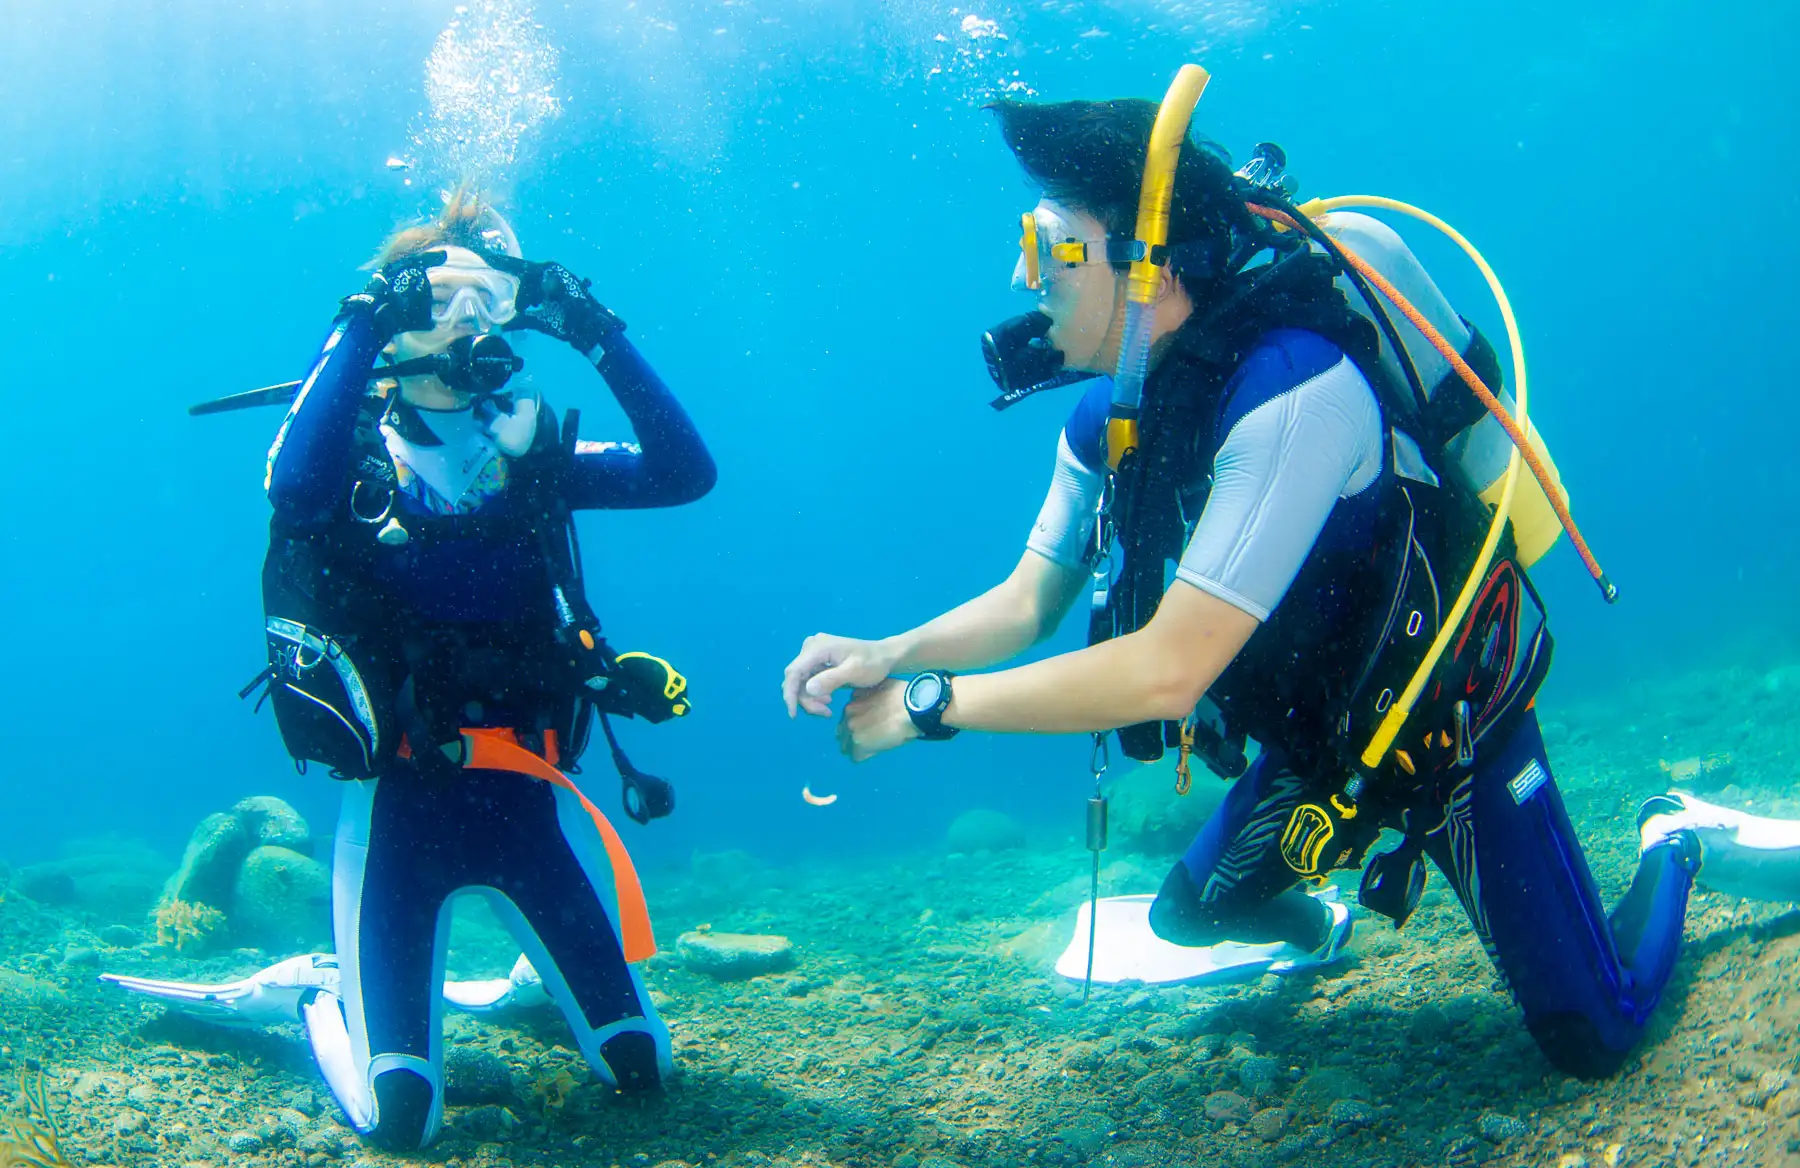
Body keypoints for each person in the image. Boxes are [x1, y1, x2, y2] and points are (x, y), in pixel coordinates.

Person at [781, 80, 1723, 1078]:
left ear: (1148, 259)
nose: (1024, 275)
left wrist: (929, 705)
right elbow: (1029, 599)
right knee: (1190, 915)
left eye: (1049, 243)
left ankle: (1674, 839)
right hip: (1323, 749)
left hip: (1448, 730)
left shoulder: (1293, 392)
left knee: (1594, 1036)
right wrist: (893, 649)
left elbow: (1169, 673)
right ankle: (1322, 924)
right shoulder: (1114, 424)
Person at [257, 189, 714, 1149]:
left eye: (489, 302)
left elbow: (685, 471)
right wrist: (361, 321)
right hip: (399, 815)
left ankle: (527, 990)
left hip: (528, 804)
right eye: (441, 301)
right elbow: (292, 491)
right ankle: (313, 997)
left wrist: (597, 330)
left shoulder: (534, 457)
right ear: (399, 319)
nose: (469, 324)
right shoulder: (350, 460)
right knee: (403, 1117)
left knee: (641, 1065)